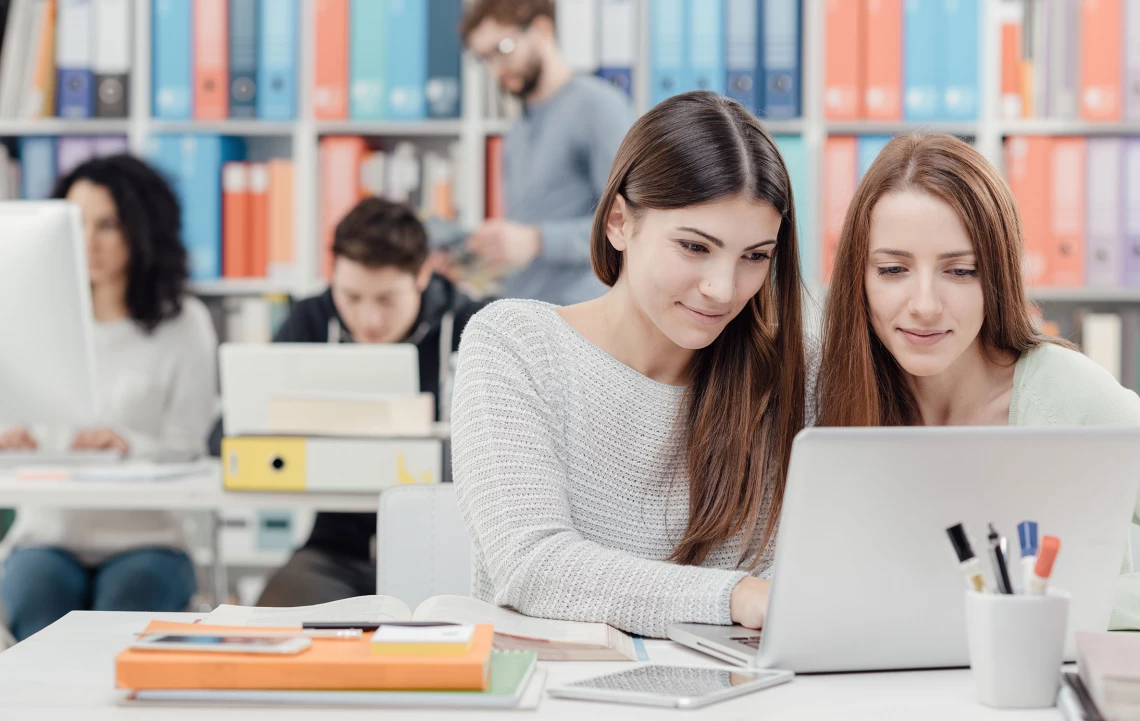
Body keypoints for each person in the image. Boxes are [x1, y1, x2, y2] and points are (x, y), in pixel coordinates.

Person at [450, 91, 808, 639]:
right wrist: (731, 594)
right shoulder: (516, 345)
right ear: (620, 222)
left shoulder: (794, 371)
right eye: (694, 247)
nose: (722, 288)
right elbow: (532, 566)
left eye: (755, 257)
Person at [815, 132, 1140, 629]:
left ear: (997, 276)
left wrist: (1045, 602)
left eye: (960, 271)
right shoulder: (831, 395)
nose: (924, 304)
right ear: (859, 276)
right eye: (893, 269)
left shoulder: (1069, 398)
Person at [214, 197, 491, 607]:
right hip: (338, 550)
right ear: (333, 278)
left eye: (386, 299)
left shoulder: (476, 325)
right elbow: (224, 432)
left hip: (447, 546)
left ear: (423, 275)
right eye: (352, 297)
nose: (368, 320)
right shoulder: (313, 318)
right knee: (278, 616)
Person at [0, 155, 215, 641]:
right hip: (47, 538)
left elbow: (188, 444)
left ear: (142, 229)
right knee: (39, 608)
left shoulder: (183, 325)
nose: (88, 242)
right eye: (76, 224)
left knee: (123, 616)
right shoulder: (27, 319)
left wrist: (126, 445)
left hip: (147, 540)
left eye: (108, 225)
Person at [458, 0, 633, 305]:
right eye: (484, 57)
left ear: (542, 29)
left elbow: (632, 220)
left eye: (503, 48)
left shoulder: (598, 107)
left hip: (584, 316)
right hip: (528, 316)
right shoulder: (519, 128)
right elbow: (530, 235)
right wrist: (479, 262)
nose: (496, 67)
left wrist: (536, 241)